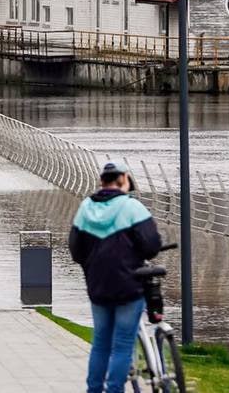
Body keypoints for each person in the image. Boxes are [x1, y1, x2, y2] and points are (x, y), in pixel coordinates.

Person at [69, 161, 163, 393]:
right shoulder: (132, 208)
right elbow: (151, 246)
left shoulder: (85, 208)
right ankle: (113, 390)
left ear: (102, 182)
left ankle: (94, 390)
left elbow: (75, 249)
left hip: (98, 286)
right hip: (129, 285)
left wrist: (93, 265)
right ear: (124, 180)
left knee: (100, 344)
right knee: (122, 344)